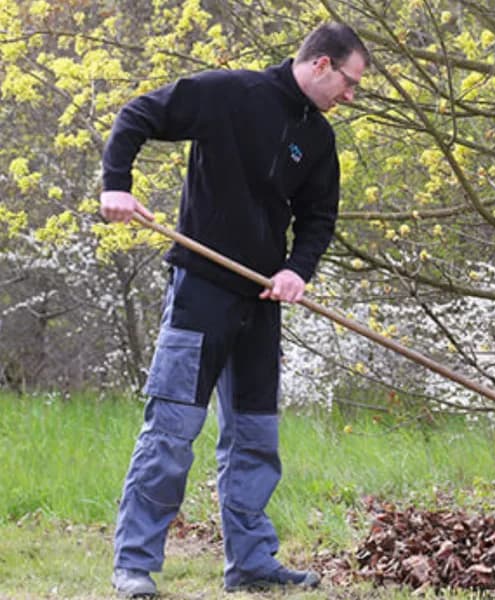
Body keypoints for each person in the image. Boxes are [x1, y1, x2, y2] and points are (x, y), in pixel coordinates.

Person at [99, 22, 369, 597]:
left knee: (254, 439)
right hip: (201, 292)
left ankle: (250, 562)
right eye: (349, 83)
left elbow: (318, 219)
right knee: (171, 432)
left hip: (261, 303)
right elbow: (137, 115)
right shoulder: (228, 93)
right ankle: (134, 566)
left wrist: (297, 269)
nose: (351, 96)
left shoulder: (318, 140)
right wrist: (115, 184)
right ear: (321, 65)